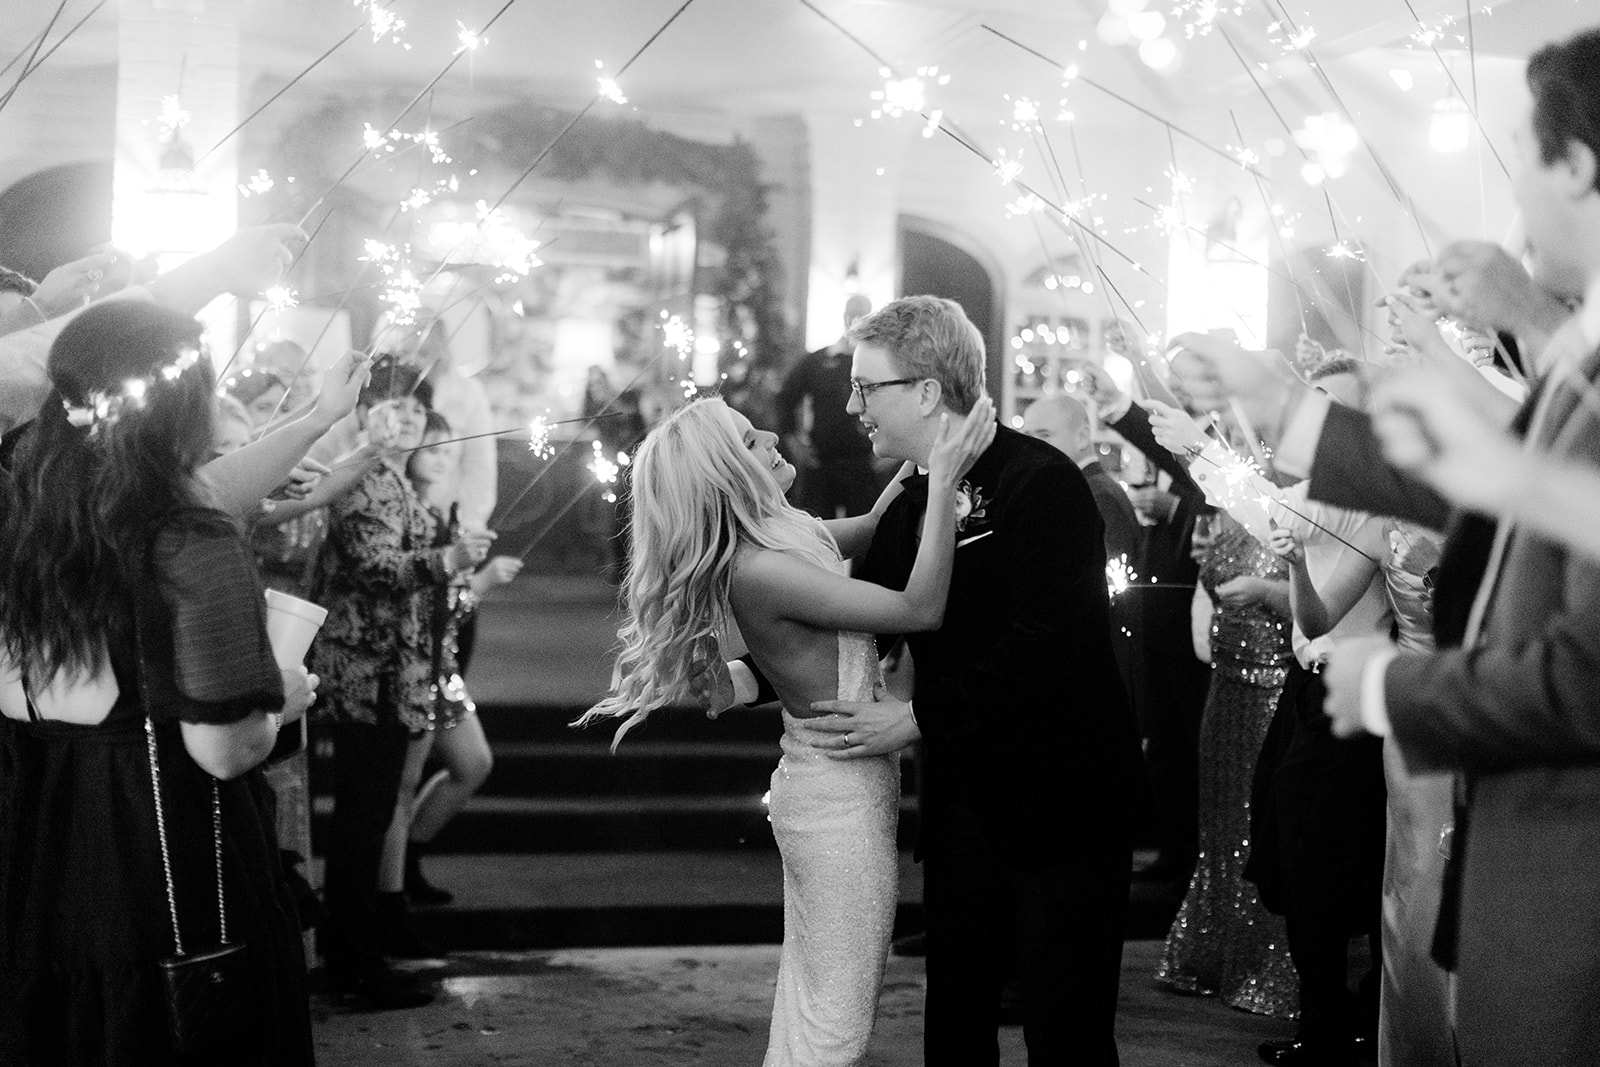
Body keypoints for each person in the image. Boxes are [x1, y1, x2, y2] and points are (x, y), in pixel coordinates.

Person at [1171, 29, 1600, 1062]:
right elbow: (1501, 486)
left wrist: (1389, 685)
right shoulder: (1578, 350)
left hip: (1568, 861)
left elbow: (1586, 677)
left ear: (1578, 166)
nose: (1512, 194)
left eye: (1523, 156)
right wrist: (1287, 409)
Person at [581, 392, 994, 1066]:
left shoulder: (786, 534)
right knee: (836, 1020)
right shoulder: (766, 567)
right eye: (750, 440)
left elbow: (876, 524)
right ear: (726, 474)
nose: (772, 436)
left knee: (814, 1001)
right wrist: (945, 481)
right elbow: (919, 609)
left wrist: (921, 452)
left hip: (837, 785)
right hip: (836, 801)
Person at [0, 299, 363, 1064]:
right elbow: (223, 748)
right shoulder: (191, 542)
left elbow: (198, 490)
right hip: (161, 866)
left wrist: (318, 416)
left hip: (39, 857)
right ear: (186, 405)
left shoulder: (24, 516)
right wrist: (282, 698)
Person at [803, 295, 1142, 1066]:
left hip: (1065, 799)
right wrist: (741, 676)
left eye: (866, 387)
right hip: (965, 805)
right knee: (955, 1022)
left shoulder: (1042, 480)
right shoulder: (915, 497)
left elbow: (1049, 642)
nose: (852, 408)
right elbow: (862, 618)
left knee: (1066, 1031)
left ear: (926, 390)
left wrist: (917, 717)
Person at [308, 358, 496, 1009]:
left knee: (372, 811)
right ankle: (355, 960)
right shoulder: (362, 478)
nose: (411, 417)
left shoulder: (396, 481)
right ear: (364, 414)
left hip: (398, 672)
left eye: (418, 406)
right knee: (362, 816)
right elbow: (376, 567)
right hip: (370, 674)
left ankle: (360, 951)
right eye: (395, 405)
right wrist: (449, 559)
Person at [380, 412, 522, 913]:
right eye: (434, 450)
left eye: (450, 453)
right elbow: (422, 601)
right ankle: (389, 895)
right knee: (400, 786)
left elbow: (450, 608)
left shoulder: (444, 516)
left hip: (440, 668)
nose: (444, 461)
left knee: (473, 764)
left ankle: (410, 856)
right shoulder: (404, 514)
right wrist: (478, 582)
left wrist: (476, 581)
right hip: (410, 666)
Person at [775, 295, 881, 518]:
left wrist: (889, 451)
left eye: (862, 314)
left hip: (863, 460)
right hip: (821, 460)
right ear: (844, 316)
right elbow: (785, 399)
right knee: (816, 527)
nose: (856, 320)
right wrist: (795, 444)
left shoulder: (880, 362)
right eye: (852, 313)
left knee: (868, 527)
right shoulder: (817, 361)